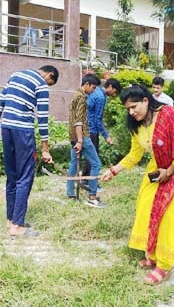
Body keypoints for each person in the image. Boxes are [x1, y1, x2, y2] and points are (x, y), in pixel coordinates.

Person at [100, 84, 174, 285]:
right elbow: (135, 154)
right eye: (128, 108)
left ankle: (164, 264)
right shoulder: (136, 126)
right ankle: (151, 253)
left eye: (134, 106)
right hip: (159, 164)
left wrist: (169, 171)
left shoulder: (168, 114)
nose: (131, 111)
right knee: (146, 204)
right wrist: (113, 171)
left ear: (146, 100)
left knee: (171, 213)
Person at [0, 65, 59, 236]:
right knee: (25, 177)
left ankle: (10, 220)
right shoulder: (40, 84)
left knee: (12, 177)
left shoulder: (14, 74)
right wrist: (45, 148)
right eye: (50, 82)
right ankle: (17, 226)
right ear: (49, 75)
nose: (47, 85)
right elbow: (42, 117)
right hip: (23, 132)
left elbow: (1, 101)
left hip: (6, 128)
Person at [67, 74, 105, 208]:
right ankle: (92, 197)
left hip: (72, 136)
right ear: (87, 84)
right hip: (81, 137)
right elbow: (78, 121)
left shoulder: (74, 95)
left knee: (73, 164)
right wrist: (81, 140)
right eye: (93, 87)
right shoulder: (82, 98)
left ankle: (70, 193)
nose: (94, 90)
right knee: (96, 164)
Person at [81, 78, 121, 190]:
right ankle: (90, 183)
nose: (114, 94)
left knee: (90, 155)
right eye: (115, 92)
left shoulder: (95, 91)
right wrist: (106, 136)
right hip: (92, 129)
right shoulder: (101, 97)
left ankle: (84, 179)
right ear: (110, 87)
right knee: (94, 158)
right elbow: (97, 120)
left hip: (85, 127)